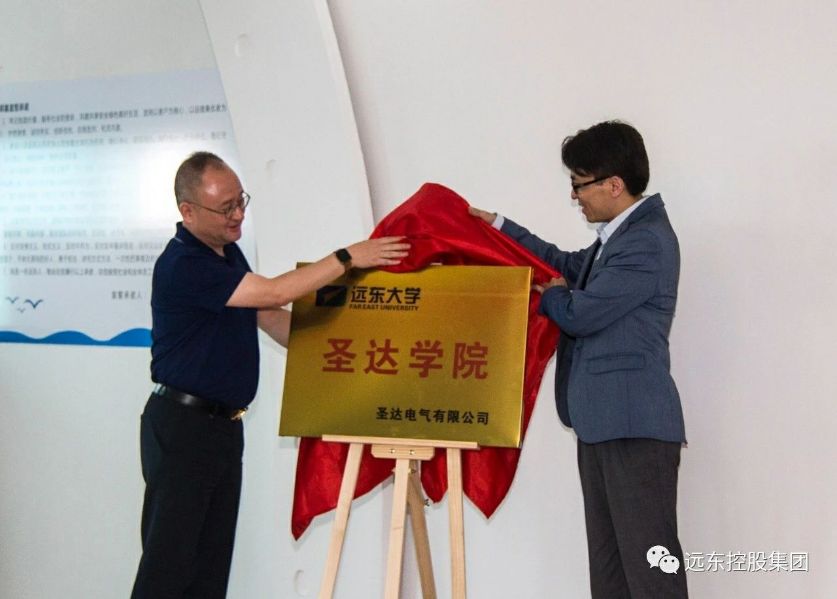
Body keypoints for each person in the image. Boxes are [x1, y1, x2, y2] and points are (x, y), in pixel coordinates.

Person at [131, 151, 409, 598]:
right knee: (169, 569)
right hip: (183, 429)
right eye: (225, 208)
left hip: (221, 428)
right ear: (187, 211)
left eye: (241, 201)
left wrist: (347, 355)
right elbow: (276, 291)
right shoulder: (185, 263)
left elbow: (270, 315)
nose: (238, 215)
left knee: (209, 568)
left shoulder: (226, 254)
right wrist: (346, 258)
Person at [470, 121, 687, 598]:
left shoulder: (645, 241)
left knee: (651, 570)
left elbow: (580, 313)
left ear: (614, 185)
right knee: (609, 571)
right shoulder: (619, 237)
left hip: (632, 424)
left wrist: (555, 296)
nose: (575, 196)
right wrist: (499, 228)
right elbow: (564, 266)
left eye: (579, 184)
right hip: (603, 421)